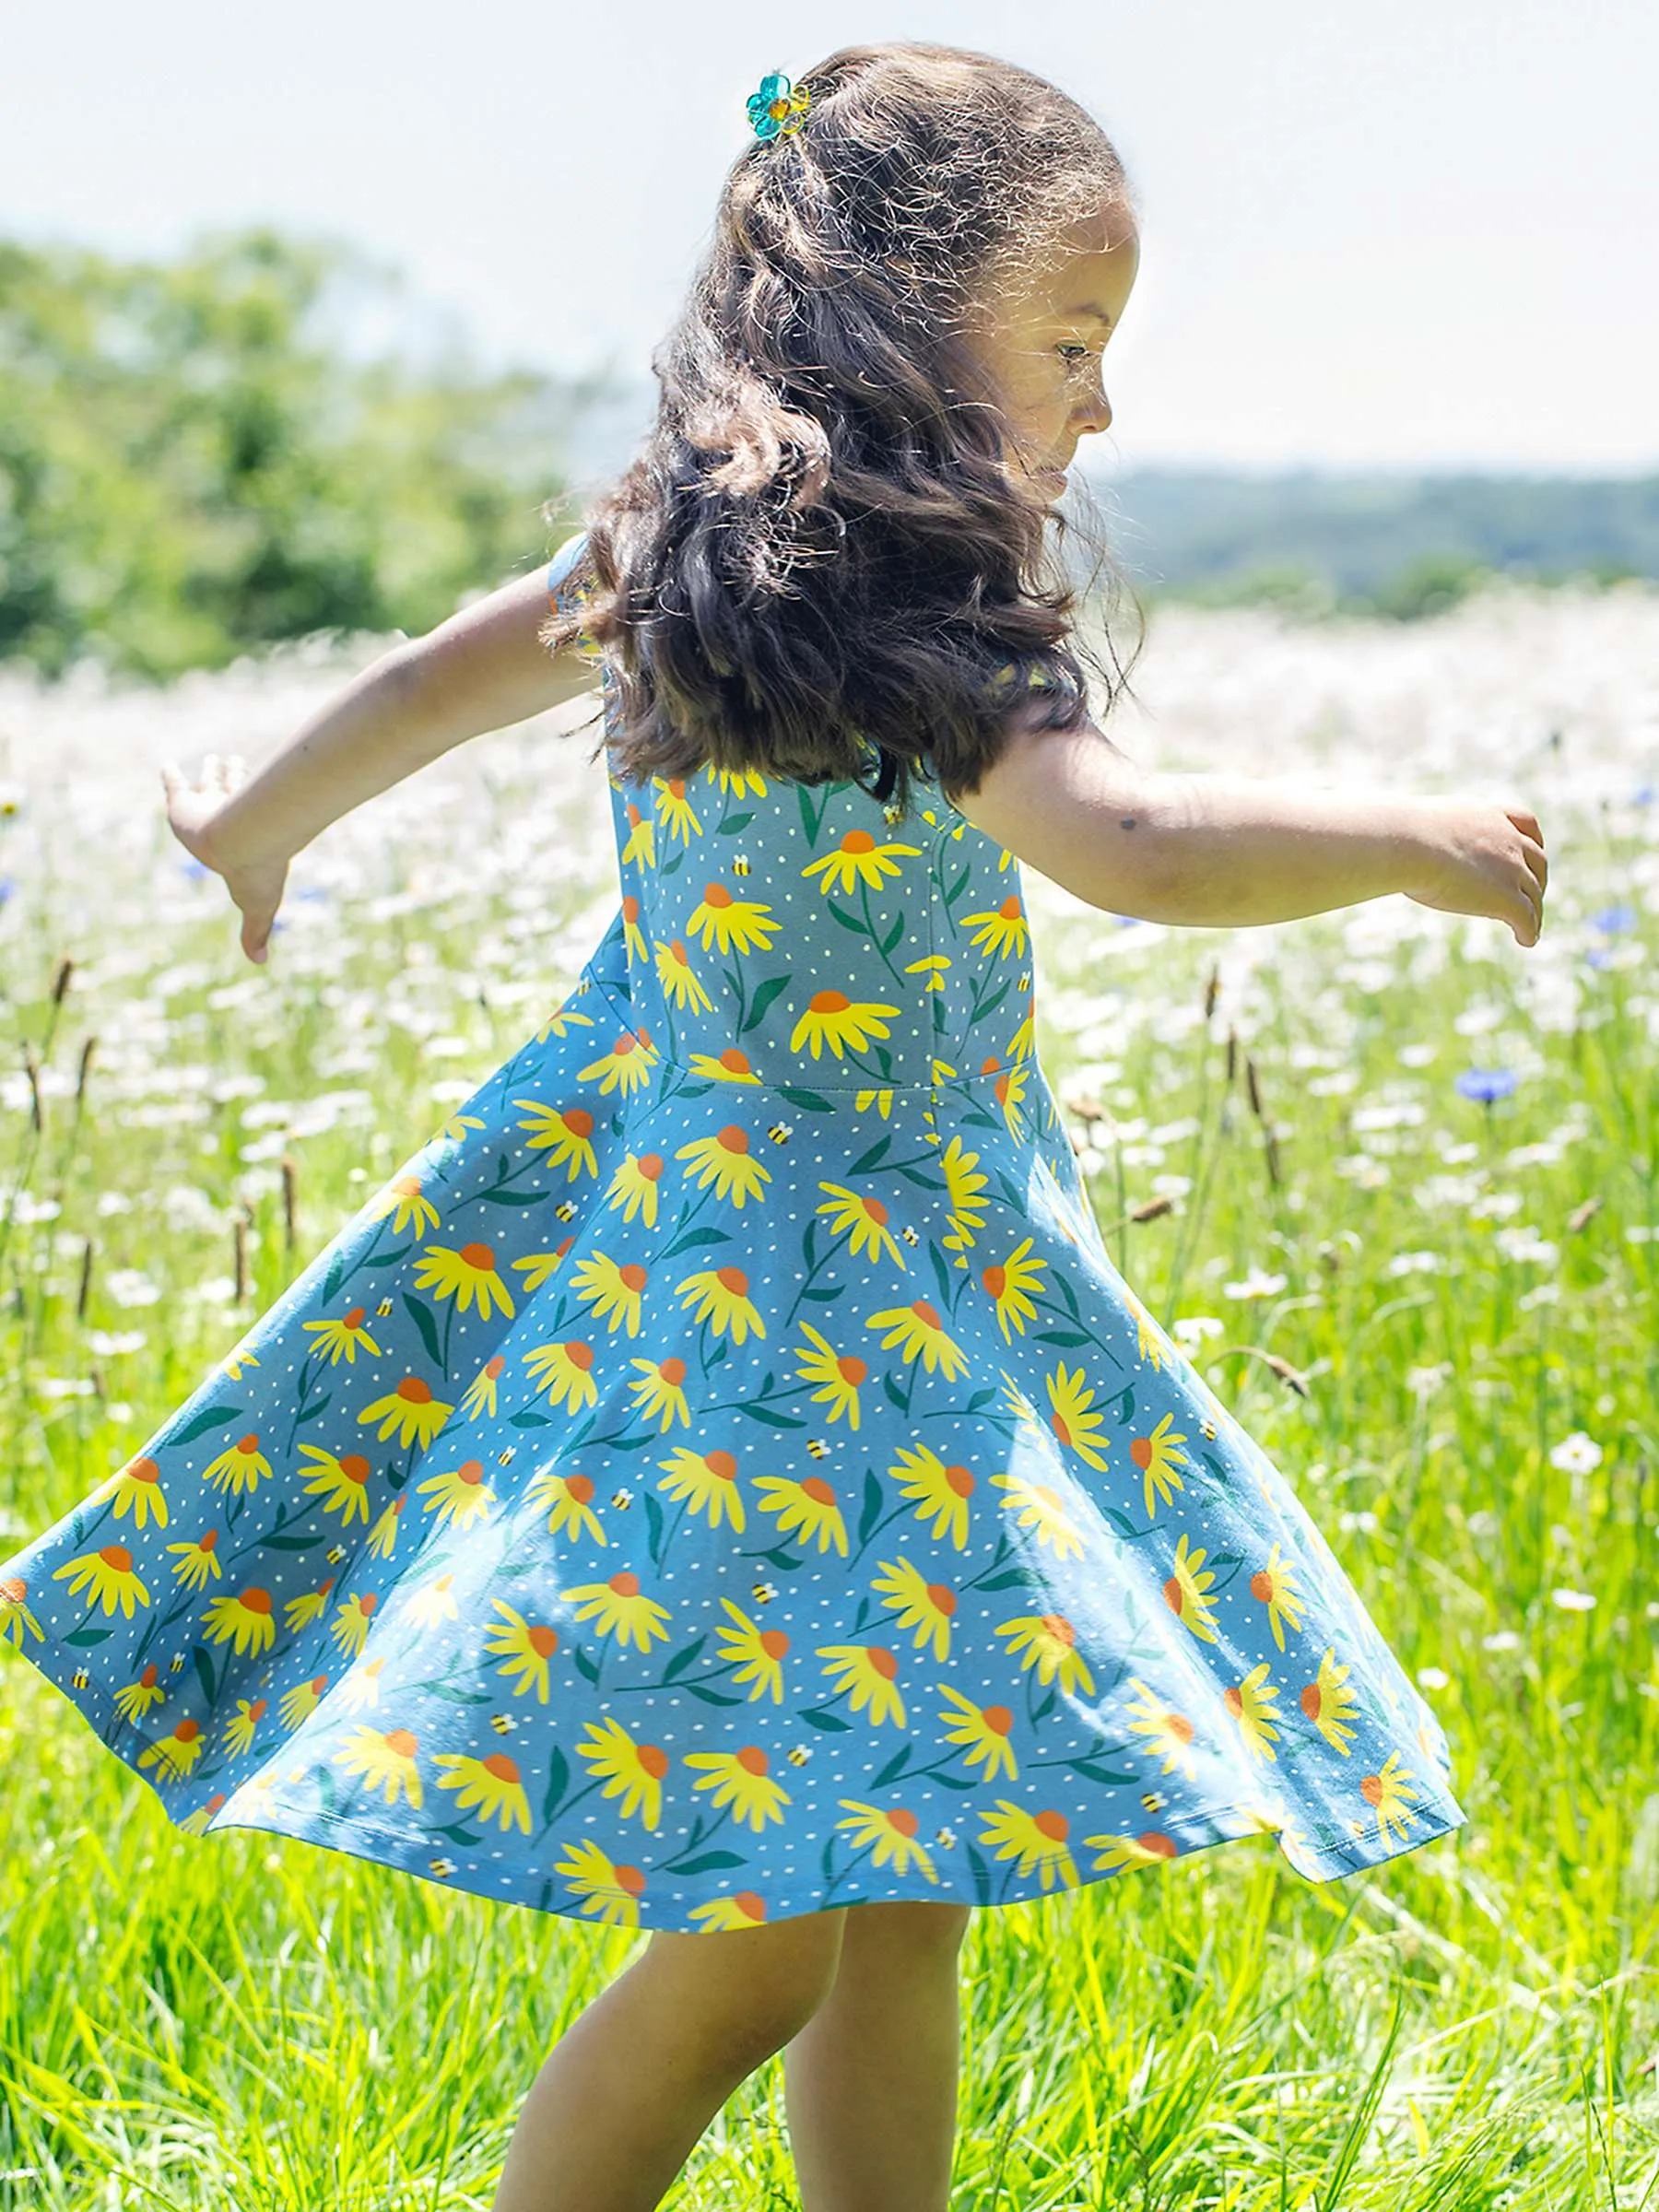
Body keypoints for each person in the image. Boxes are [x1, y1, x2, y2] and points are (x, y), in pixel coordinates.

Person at [0, 41, 1547, 2212]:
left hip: (779, 1320)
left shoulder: (667, 548)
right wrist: (1407, 839)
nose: (1099, 409)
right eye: (1073, 345)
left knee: (893, 1871)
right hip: (816, 1342)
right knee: (750, 1943)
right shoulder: (924, 612)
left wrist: (252, 828)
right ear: (909, 321)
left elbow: (429, 686)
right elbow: (1138, 845)